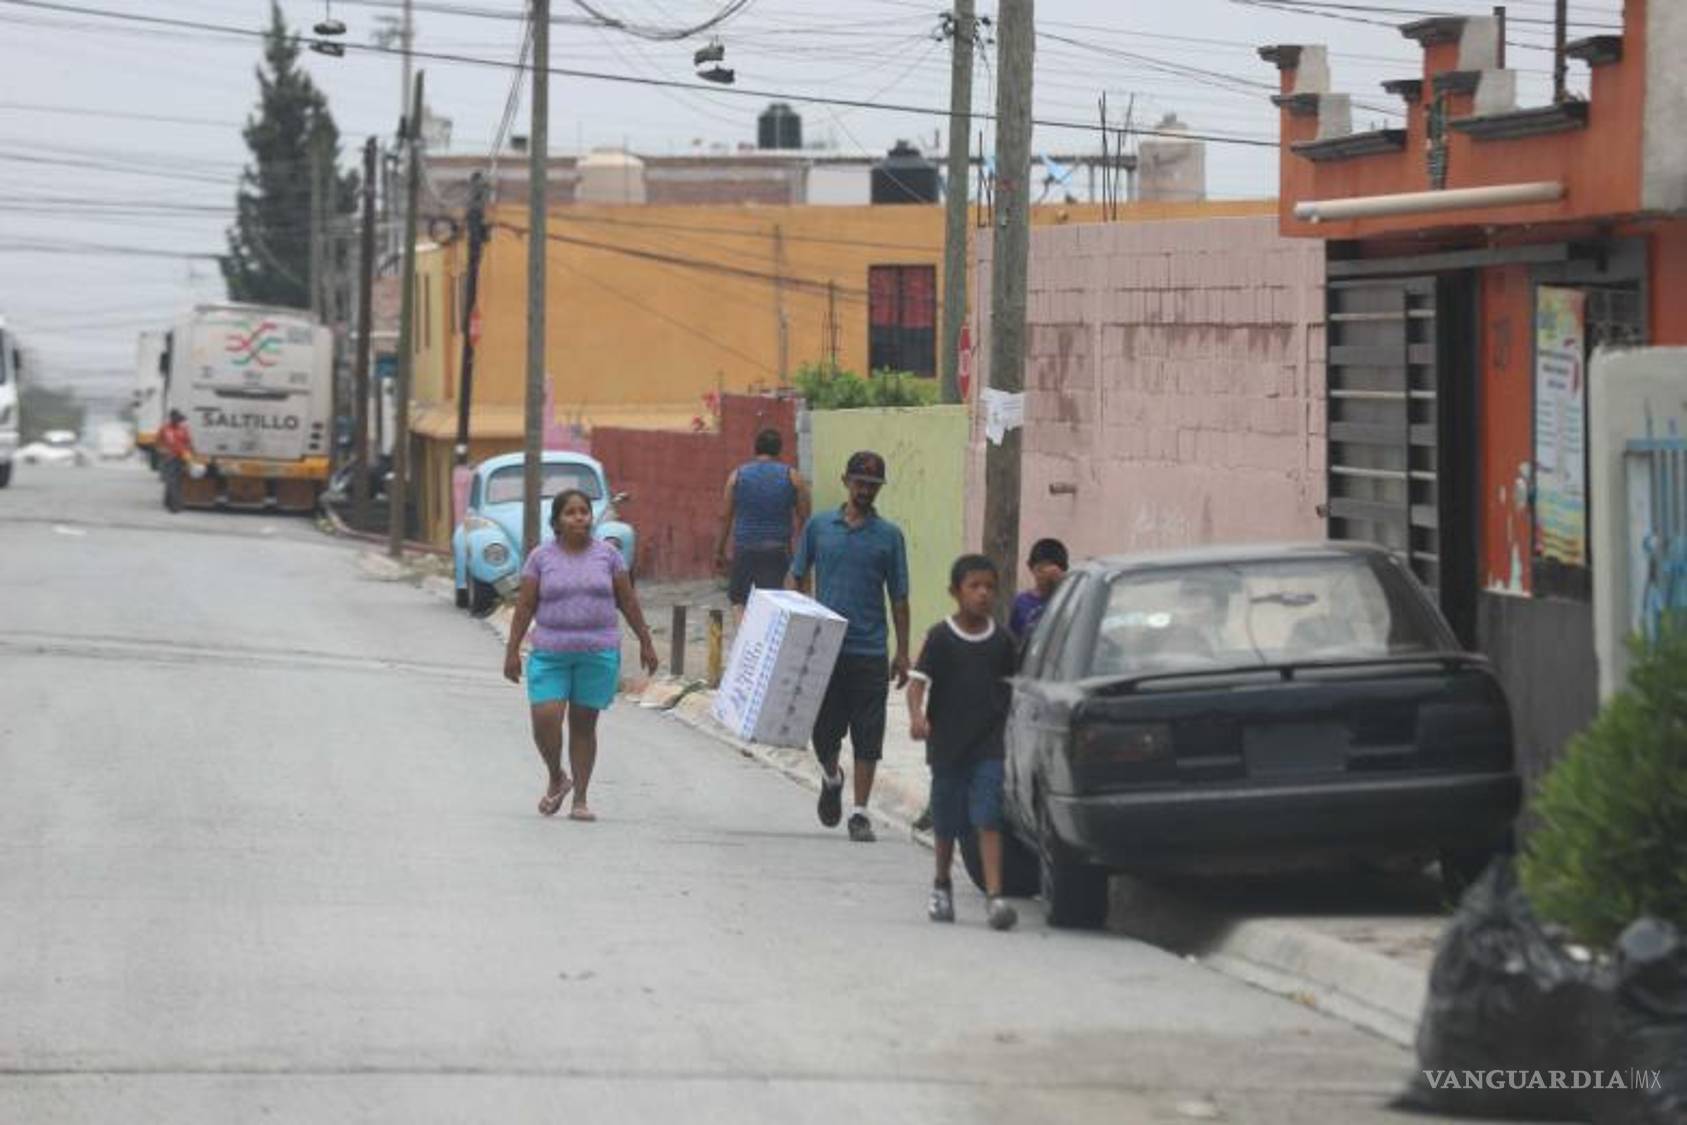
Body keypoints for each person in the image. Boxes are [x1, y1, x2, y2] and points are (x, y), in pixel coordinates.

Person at [504, 488, 660, 822]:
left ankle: (581, 799)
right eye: (571, 513)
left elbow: (627, 601)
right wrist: (512, 650)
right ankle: (557, 776)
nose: (579, 518)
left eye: (584, 512)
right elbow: (525, 605)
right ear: (557, 521)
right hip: (549, 652)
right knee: (545, 718)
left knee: (583, 725)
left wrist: (645, 640)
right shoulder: (541, 558)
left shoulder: (609, 556)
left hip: (597, 651)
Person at [787, 450, 911, 843]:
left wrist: (903, 651)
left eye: (872, 486)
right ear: (845, 481)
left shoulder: (889, 537)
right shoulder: (820, 527)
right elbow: (796, 576)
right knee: (823, 732)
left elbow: (900, 597)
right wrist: (793, 620)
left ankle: (860, 813)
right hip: (825, 649)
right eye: (859, 483)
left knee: (868, 734)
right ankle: (831, 777)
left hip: (870, 651)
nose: (865, 491)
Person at [909, 554, 1019, 931]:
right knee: (947, 821)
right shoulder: (941, 638)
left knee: (988, 817)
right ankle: (942, 883)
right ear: (955, 592)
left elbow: (1014, 687)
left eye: (989, 586)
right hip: (947, 746)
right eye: (974, 586)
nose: (983, 594)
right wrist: (917, 716)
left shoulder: (1003, 641)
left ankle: (995, 896)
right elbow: (918, 682)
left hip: (989, 745)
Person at [715, 428, 810, 623]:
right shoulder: (793, 477)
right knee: (778, 603)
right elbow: (805, 520)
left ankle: (745, 644)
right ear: (779, 450)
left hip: (744, 549)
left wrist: (719, 551)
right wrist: (803, 558)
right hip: (778, 551)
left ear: (755, 449)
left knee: (739, 601)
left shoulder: (737, 476)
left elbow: (725, 516)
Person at [1009, 537, 1070, 641]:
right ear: (1031, 567)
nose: (1045, 577)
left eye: (1052, 572)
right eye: (1041, 570)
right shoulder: (1021, 603)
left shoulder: (1069, 600)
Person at [156, 409, 194, 513]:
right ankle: (176, 506)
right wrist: (163, 451)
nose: (178, 421)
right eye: (176, 419)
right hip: (169, 459)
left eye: (179, 419)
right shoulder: (164, 429)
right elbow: (158, 442)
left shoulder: (183, 429)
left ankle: (168, 502)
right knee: (172, 482)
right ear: (172, 418)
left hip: (182, 459)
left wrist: (189, 454)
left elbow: (189, 443)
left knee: (177, 482)